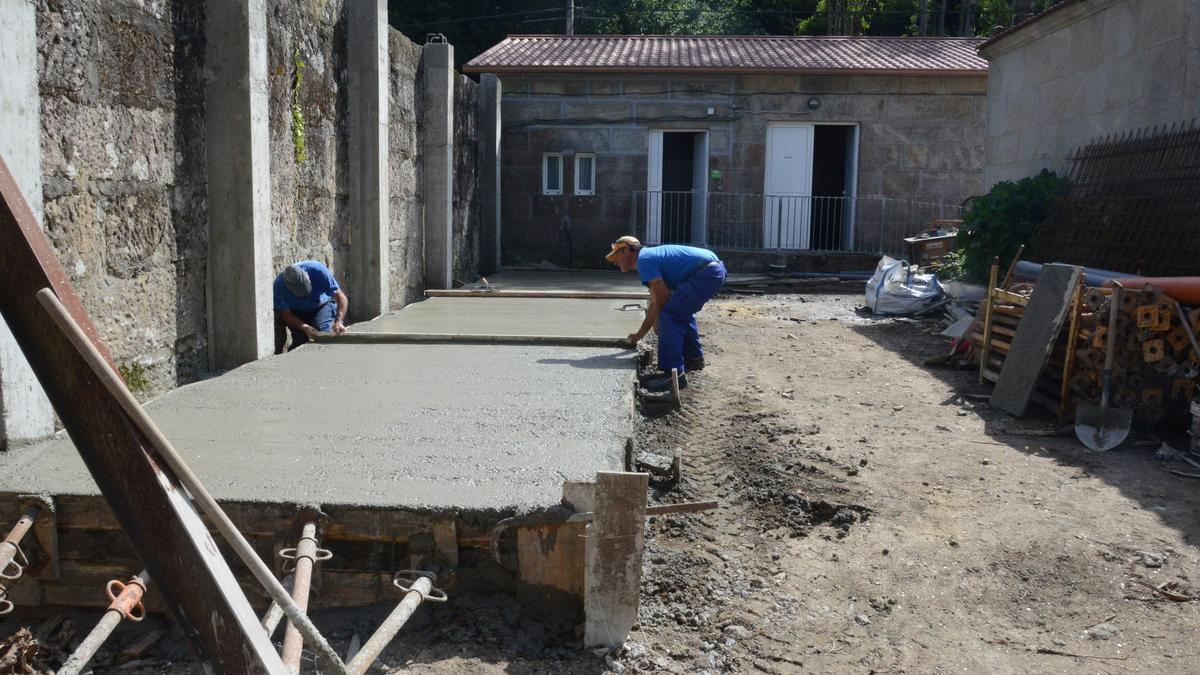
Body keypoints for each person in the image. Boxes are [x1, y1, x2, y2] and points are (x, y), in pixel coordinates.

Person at [605, 236, 726, 392]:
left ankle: (673, 374)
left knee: (669, 315)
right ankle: (694, 358)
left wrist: (658, 322)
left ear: (626, 250)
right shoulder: (648, 258)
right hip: (712, 270)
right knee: (679, 312)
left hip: (706, 273)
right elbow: (656, 302)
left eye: (616, 256)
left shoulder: (644, 260)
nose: (615, 262)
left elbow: (662, 300)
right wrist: (639, 335)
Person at [273, 260, 349, 353]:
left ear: (307, 276)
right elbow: (286, 314)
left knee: (322, 335)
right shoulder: (279, 286)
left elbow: (340, 297)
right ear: (289, 287)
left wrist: (339, 321)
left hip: (322, 306)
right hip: (296, 313)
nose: (306, 297)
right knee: (300, 342)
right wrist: (304, 327)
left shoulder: (318, 270)